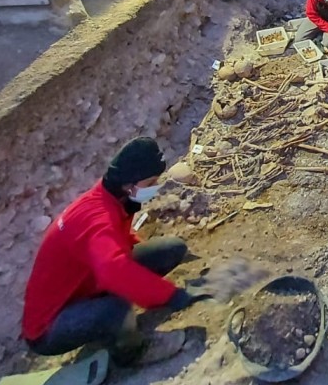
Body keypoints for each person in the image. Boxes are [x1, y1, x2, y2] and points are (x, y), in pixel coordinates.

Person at [22, 138, 211, 366]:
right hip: (49, 326)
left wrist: (144, 281)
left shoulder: (113, 197)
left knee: (171, 249)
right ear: (129, 186)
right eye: (151, 182)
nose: (155, 186)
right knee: (116, 310)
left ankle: (107, 316)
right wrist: (171, 295)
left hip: (86, 285)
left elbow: (118, 243)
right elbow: (114, 270)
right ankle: (132, 354)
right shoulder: (97, 219)